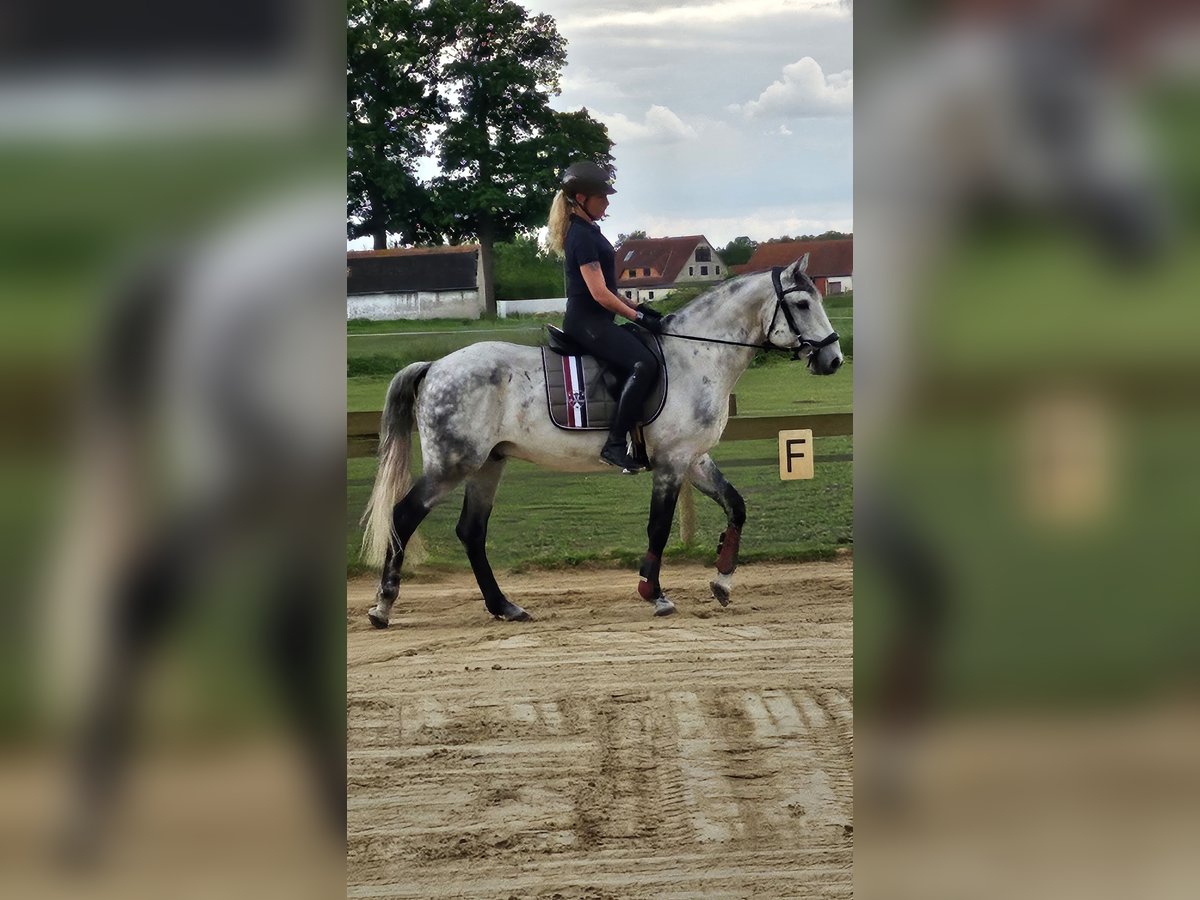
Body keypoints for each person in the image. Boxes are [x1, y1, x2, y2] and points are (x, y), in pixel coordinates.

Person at [546, 161, 665, 472]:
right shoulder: (582, 237)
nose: (608, 202)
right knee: (644, 363)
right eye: (603, 196)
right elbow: (599, 295)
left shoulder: (588, 231)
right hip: (588, 324)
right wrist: (637, 318)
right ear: (581, 199)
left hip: (597, 321)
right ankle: (614, 444)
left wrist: (639, 309)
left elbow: (609, 289)